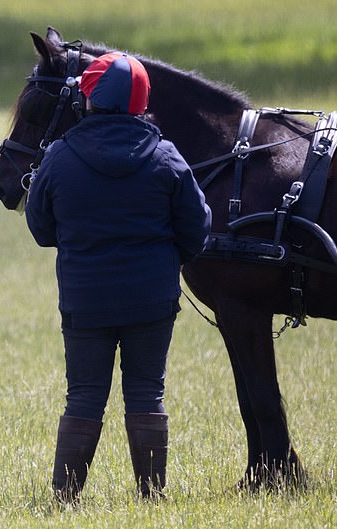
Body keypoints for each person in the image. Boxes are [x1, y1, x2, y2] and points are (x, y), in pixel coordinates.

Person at [25, 52, 212, 502]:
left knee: (84, 395)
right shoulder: (166, 157)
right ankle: (151, 494)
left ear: (89, 98)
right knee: (147, 391)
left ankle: (66, 497)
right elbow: (198, 229)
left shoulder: (61, 156)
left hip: (84, 299)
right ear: (142, 103)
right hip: (152, 299)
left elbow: (40, 227)